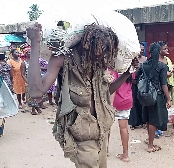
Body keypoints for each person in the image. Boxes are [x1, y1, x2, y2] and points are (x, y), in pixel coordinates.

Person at [26, 23, 139, 168]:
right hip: (81, 137)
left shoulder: (98, 64)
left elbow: (105, 92)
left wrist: (127, 73)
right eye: (99, 52)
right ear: (86, 47)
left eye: (106, 53)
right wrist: (35, 43)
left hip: (102, 132)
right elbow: (36, 92)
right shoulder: (62, 61)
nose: (102, 58)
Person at [136, 41, 171, 153]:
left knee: (148, 118)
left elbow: (136, 78)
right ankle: (150, 146)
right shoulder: (162, 66)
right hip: (157, 95)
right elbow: (164, 84)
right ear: (158, 51)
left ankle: (149, 139)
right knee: (154, 120)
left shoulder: (144, 64)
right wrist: (168, 98)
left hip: (145, 94)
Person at [110, 70, 135, 162]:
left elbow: (113, 88)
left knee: (107, 128)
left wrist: (110, 105)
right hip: (127, 100)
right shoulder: (129, 68)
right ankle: (125, 155)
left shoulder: (113, 69)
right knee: (124, 128)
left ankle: (105, 151)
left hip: (115, 101)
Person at [129, 43, 146, 130]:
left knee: (142, 102)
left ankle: (143, 121)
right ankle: (134, 123)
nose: (142, 50)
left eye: (143, 49)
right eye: (140, 49)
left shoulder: (145, 59)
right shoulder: (132, 59)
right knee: (133, 102)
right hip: (133, 84)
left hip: (142, 84)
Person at [20, 48, 42, 115]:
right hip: (29, 81)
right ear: (26, 54)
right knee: (31, 96)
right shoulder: (23, 63)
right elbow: (22, 74)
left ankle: (36, 107)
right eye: (29, 52)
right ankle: (33, 109)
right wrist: (27, 81)